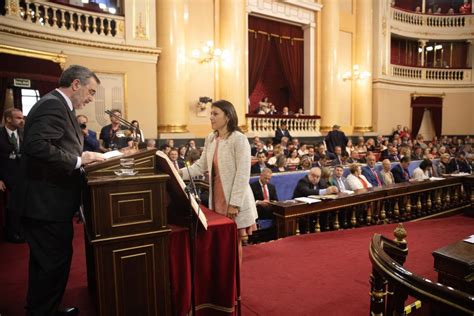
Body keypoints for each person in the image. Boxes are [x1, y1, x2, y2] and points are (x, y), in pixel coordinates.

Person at [16, 65, 104, 315]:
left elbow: (57, 145)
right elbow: (37, 146)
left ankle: (44, 308)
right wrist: (78, 161)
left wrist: (84, 154)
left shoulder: (60, 105)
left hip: (49, 203)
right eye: (91, 91)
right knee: (51, 264)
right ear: (76, 84)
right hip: (45, 204)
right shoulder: (53, 104)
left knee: (48, 264)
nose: (91, 98)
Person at [180, 100, 258, 268]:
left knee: (234, 240)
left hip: (234, 198)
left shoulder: (239, 139)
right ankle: (222, 278)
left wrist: (235, 203)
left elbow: (243, 173)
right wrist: (177, 173)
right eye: (211, 113)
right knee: (222, 241)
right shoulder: (211, 138)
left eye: (215, 114)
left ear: (228, 117)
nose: (211, 117)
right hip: (217, 197)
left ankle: (234, 285)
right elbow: (201, 166)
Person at [0, 108, 25, 243]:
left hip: (22, 177)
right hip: (5, 177)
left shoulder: (23, 133)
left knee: (22, 206)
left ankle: (21, 231)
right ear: (8, 119)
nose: (22, 121)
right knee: (11, 208)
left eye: (22, 118)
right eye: (18, 118)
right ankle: (11, 233)